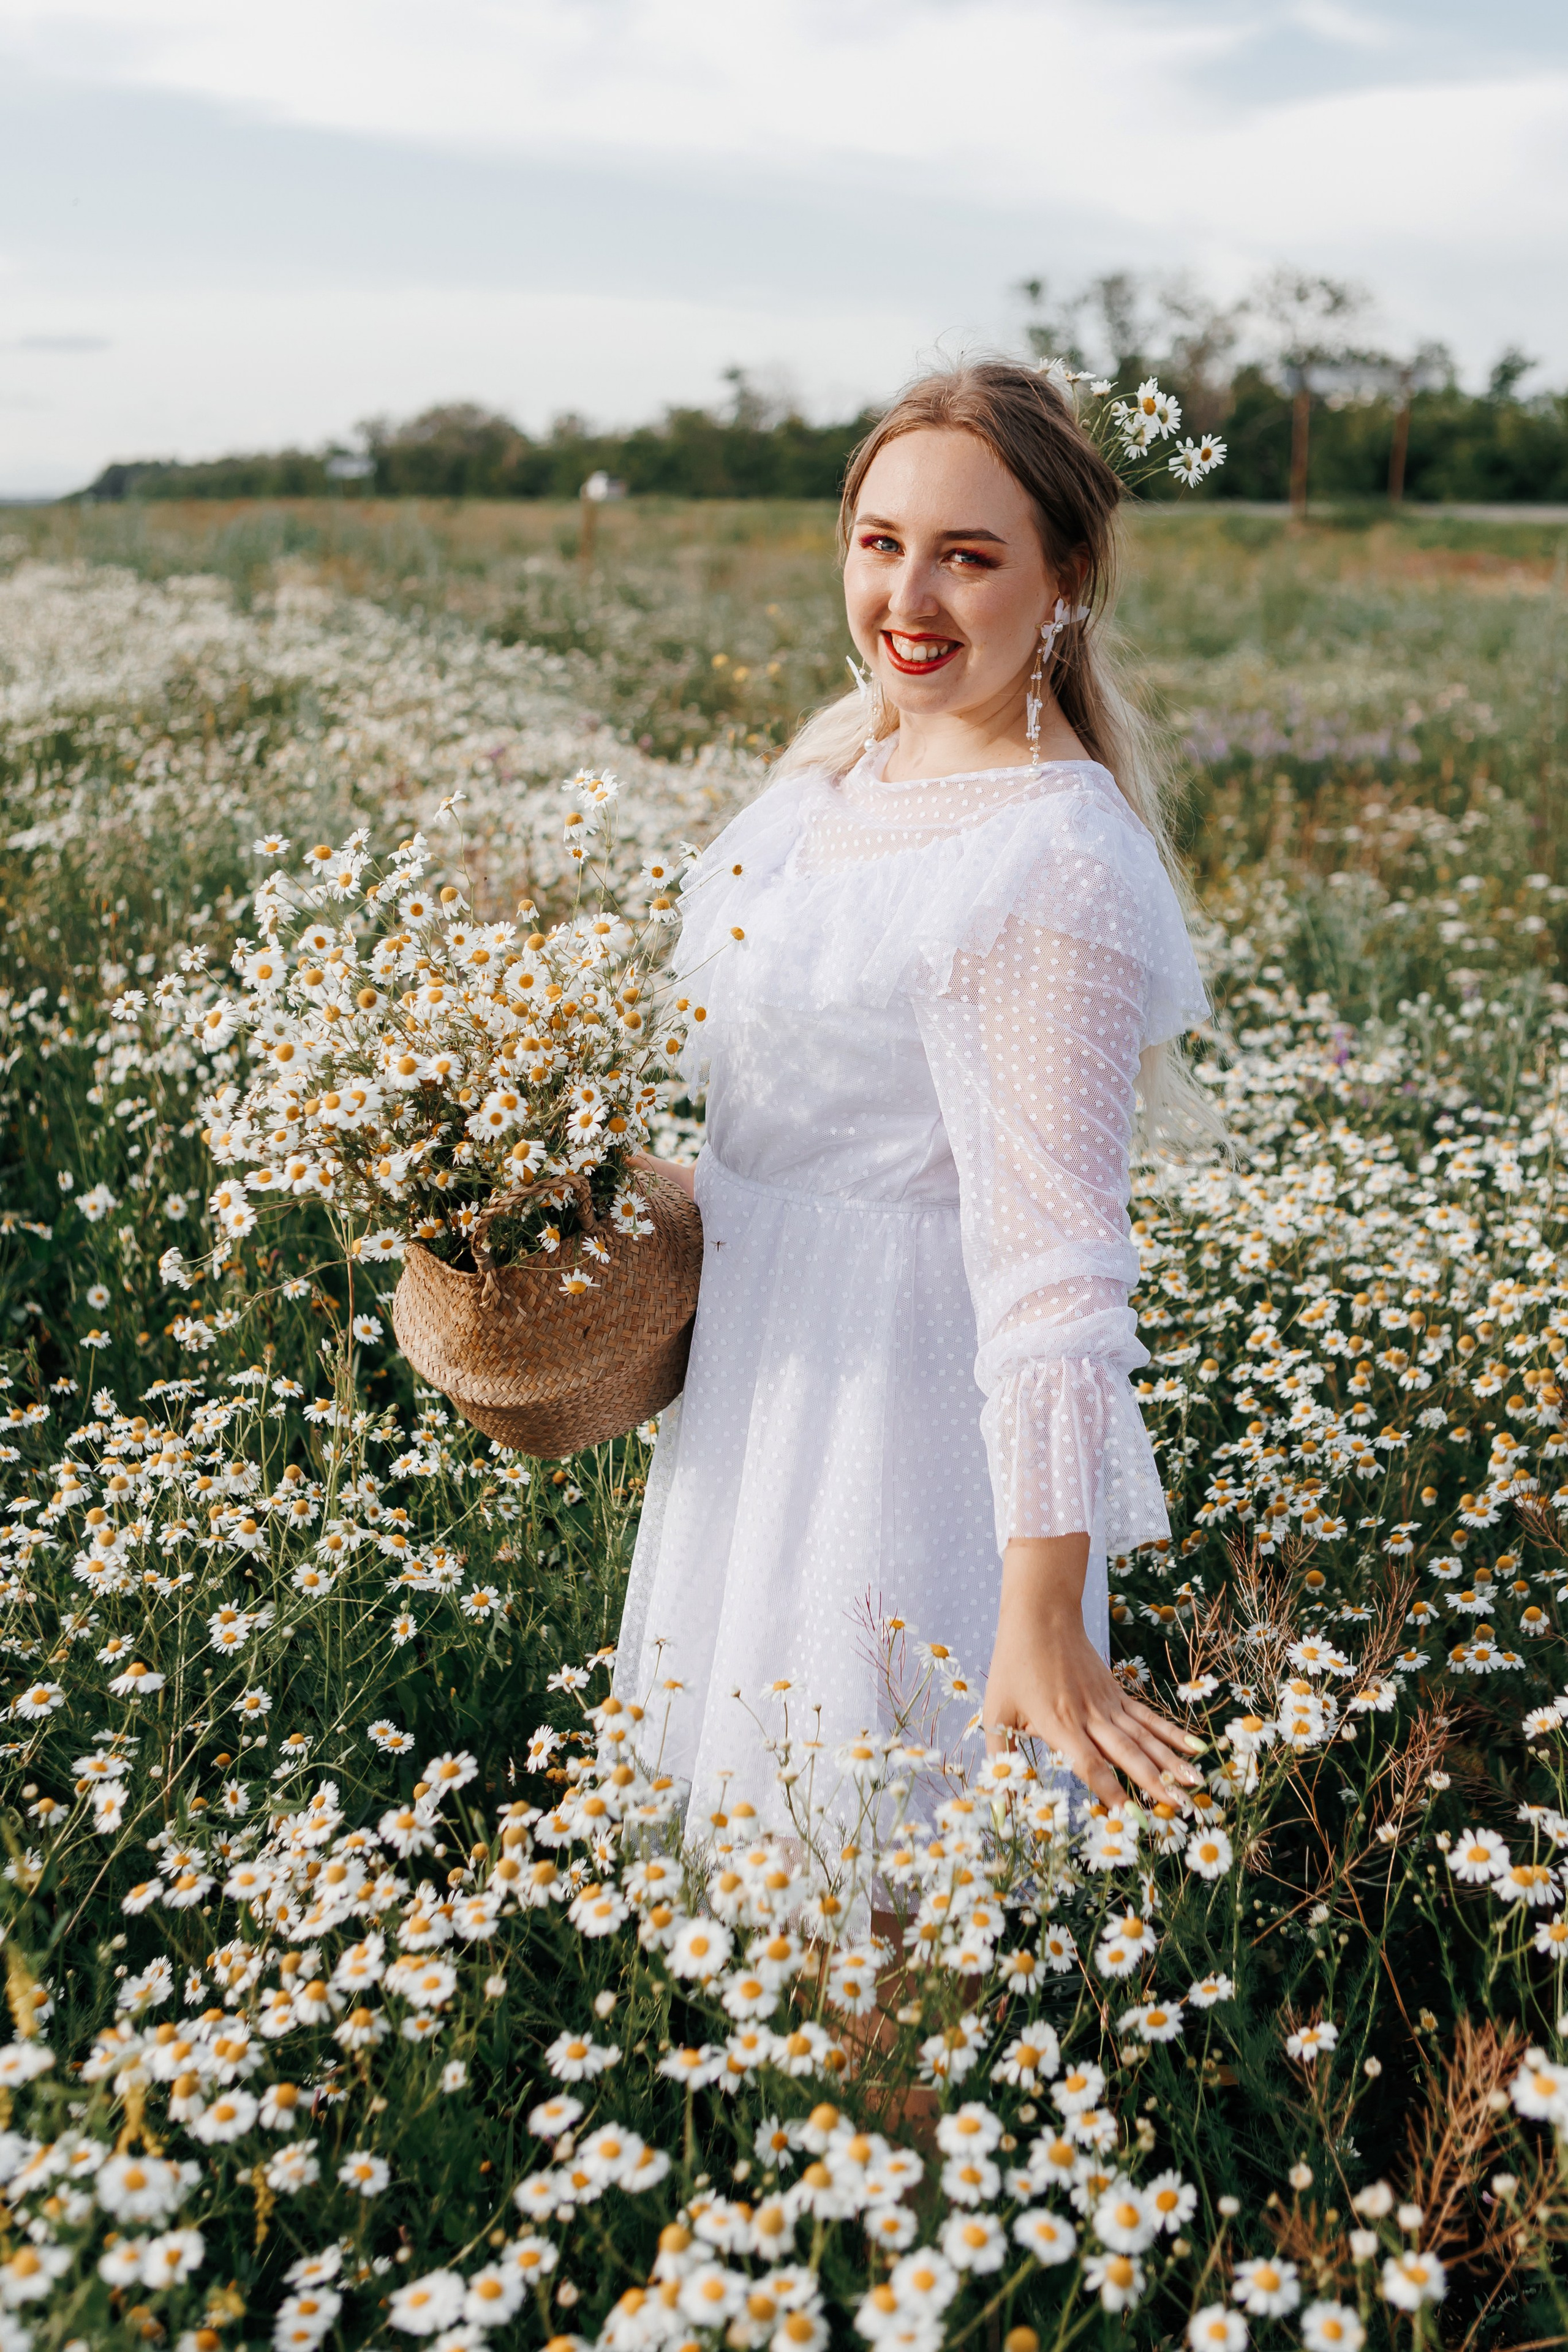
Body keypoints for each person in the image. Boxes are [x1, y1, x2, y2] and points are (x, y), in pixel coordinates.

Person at [618, 358, 1215, 1831]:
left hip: (892, 1437)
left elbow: (1054, 1269)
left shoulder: (1045, 858)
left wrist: (1043, 1611)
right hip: (759, 1396)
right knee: (760, 1908)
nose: (909, 599)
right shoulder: (840, 780)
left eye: (967, 556)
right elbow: (803, 1130)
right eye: (881, 544)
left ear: (1063, 577)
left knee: (876, 1911)